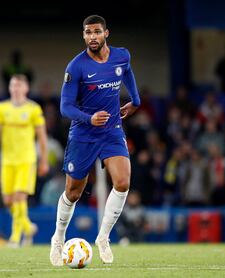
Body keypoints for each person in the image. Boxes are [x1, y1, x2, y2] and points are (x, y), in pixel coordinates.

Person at [49, 15, 140, 265]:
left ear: (106, 33)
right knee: (73, 191)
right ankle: (58, 239)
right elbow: (65, 107)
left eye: (96, 32)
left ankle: (103, 238)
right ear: (84, 35)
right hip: (84, 133)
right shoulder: (76, 66)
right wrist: (89, 119)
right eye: (88, 33)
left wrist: (136, 100)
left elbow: (128, 74)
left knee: (122, 182)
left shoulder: (122, 56)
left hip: (111, 130)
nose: (92, 37)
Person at [0, 74, 49, 247]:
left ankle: (15, 236)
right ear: (9, 88)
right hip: (7, 161)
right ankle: (28, 227)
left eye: (19, 86)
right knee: (8, 201)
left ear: (26, 88)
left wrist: (44, 161)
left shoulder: (33, 109)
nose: (16, 89)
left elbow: (42, 137)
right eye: (13, 85)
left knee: (19, 197)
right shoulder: (1, 108)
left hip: (26, 160)